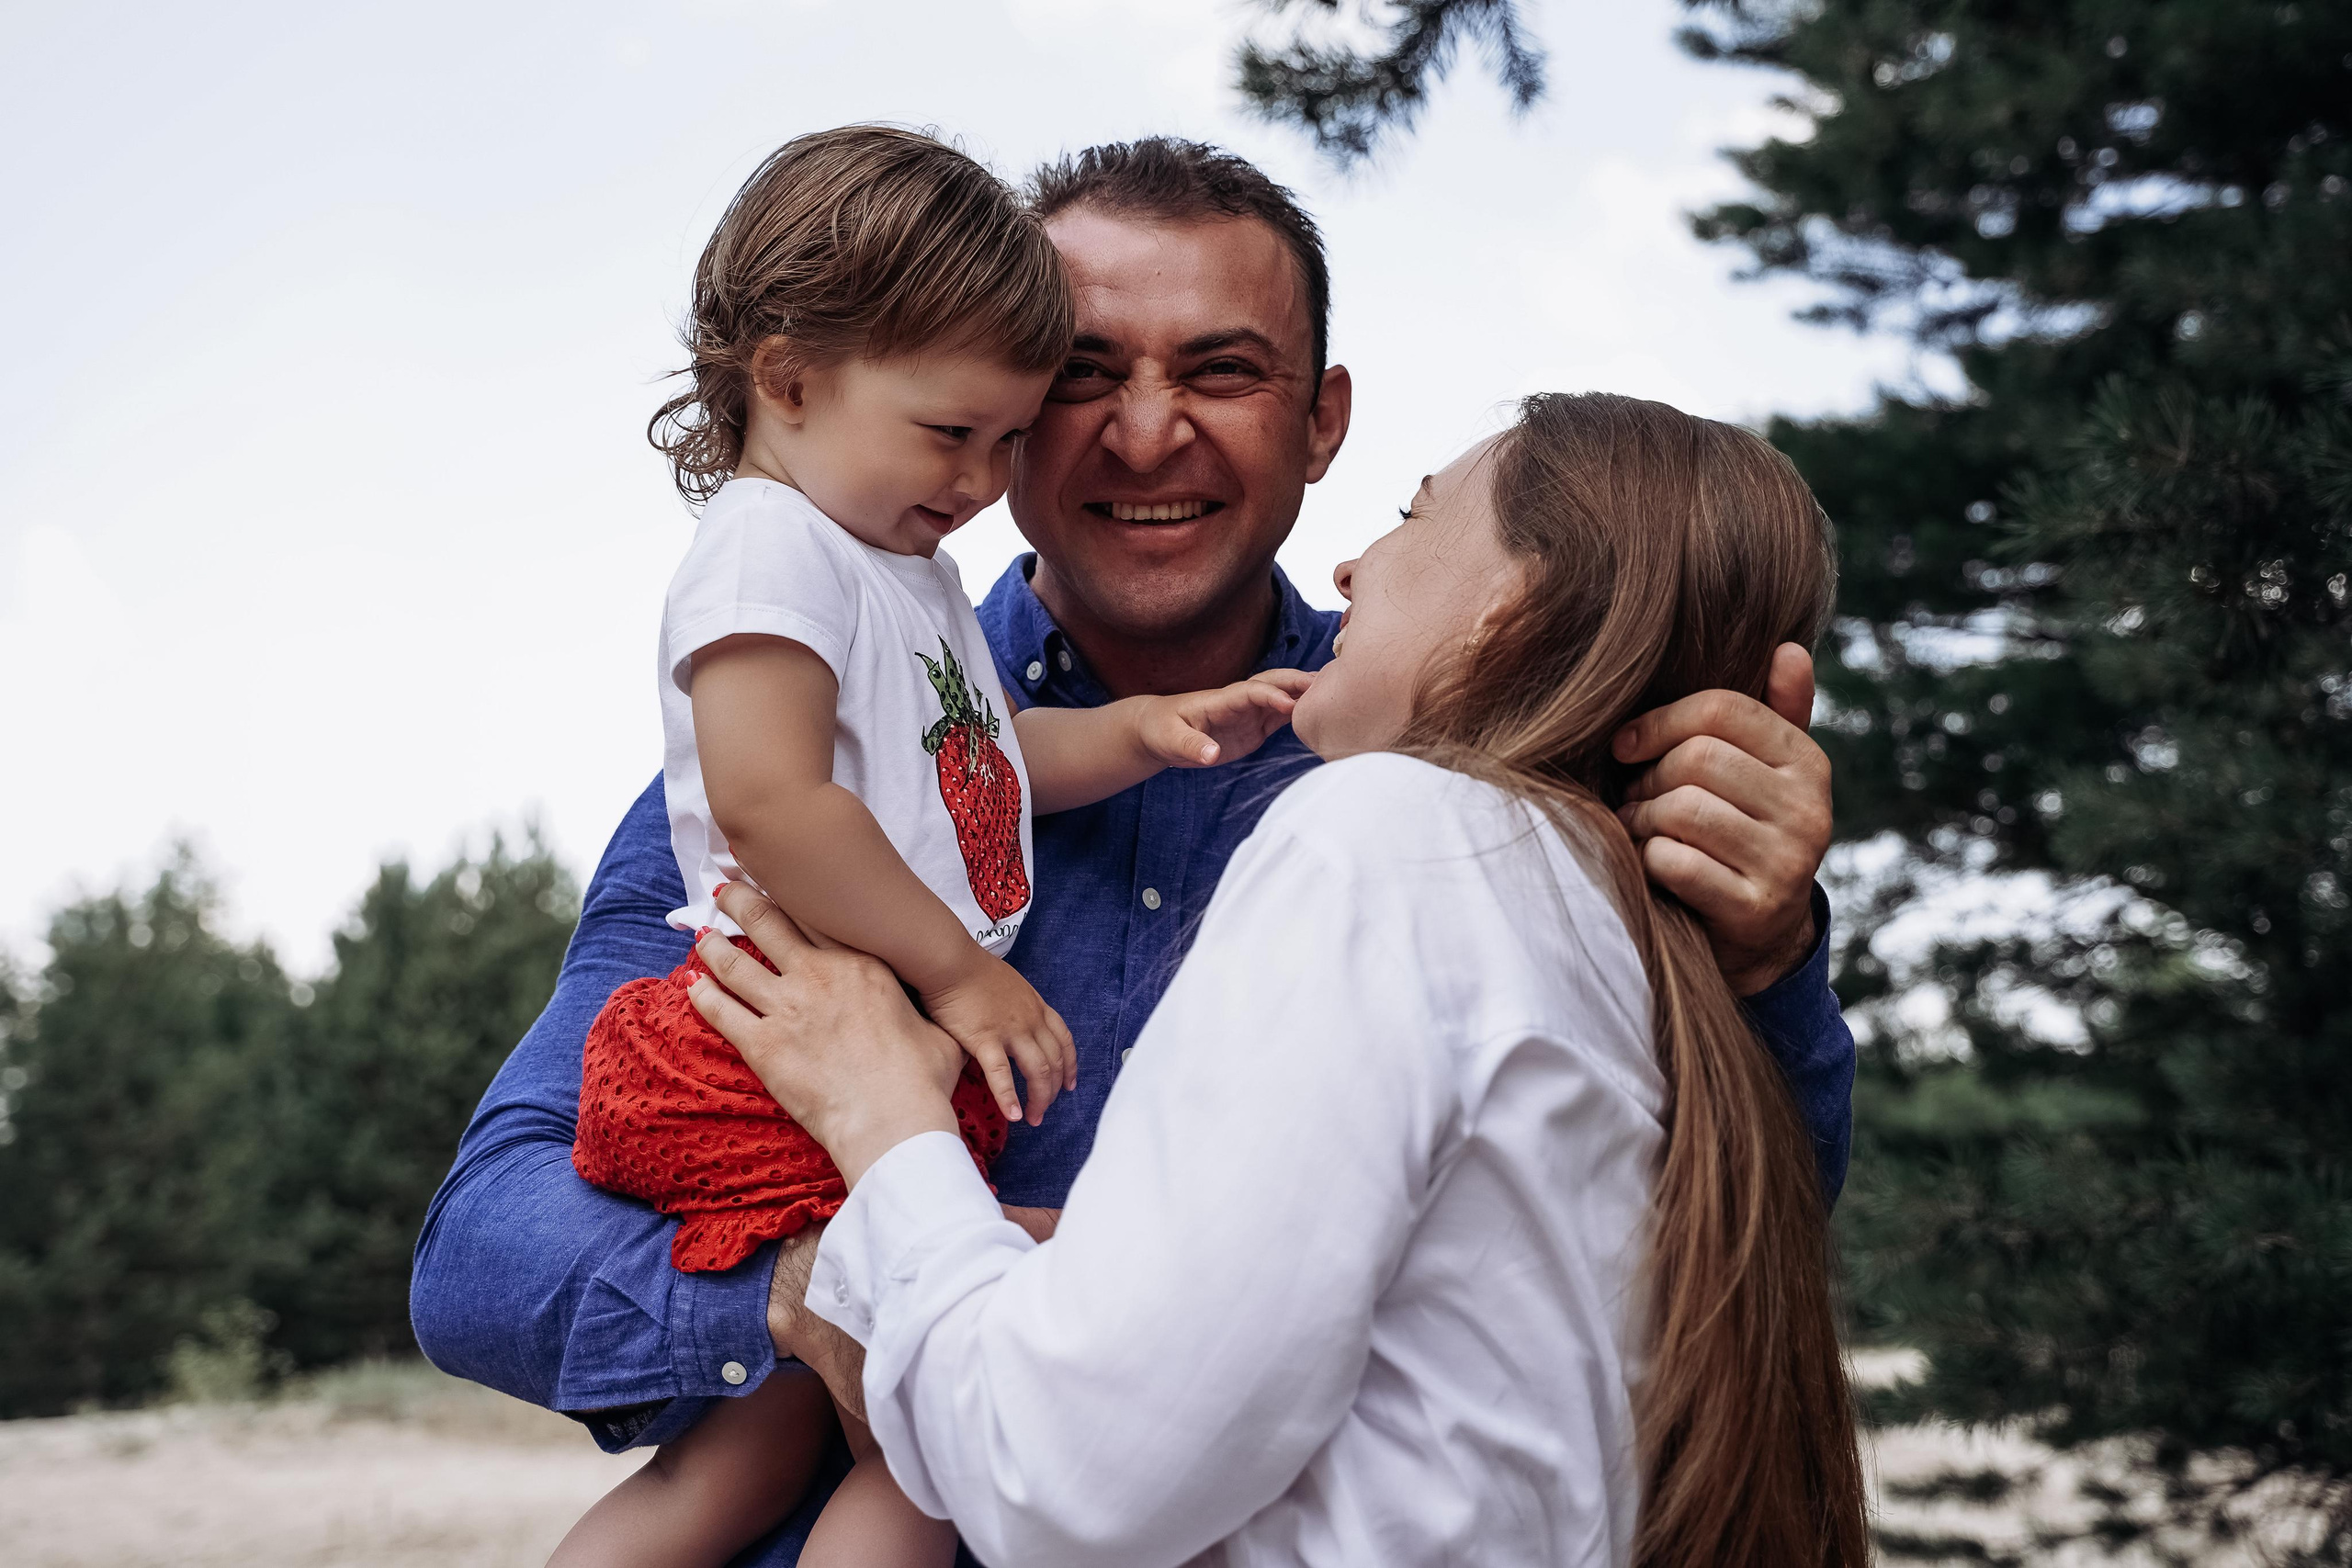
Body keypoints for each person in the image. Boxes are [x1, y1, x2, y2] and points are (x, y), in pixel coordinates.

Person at [412, 140, 1855, 1566]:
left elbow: (1713, 1277)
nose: (1147, 431)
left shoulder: (1452, 817)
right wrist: (835, 1288)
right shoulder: (800, 766)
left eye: (1222, 371)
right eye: (1084, 377)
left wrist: (1764, 963)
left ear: (1322, 422)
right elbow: (482, 1254)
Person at [689, 393, 1871, 1567]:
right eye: (1081, 378)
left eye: (1412, 519)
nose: (1352, 567)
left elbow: (1064, 1477)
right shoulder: (1603, 920)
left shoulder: (1389, 835)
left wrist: (883, 1124)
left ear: (1516, 610)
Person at [549, 128, 1310, 1568]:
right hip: (764, 1053)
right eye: (952, 433)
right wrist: (962, 976)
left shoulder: (904, 570)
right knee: (923, 1428)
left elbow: (984, 763)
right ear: (788, 380)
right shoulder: (770, 544)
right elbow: (776, 804)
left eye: (1005, 440)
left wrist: (1138, 729)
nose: (980, 475)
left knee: (795, 1434)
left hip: (866, 1064)